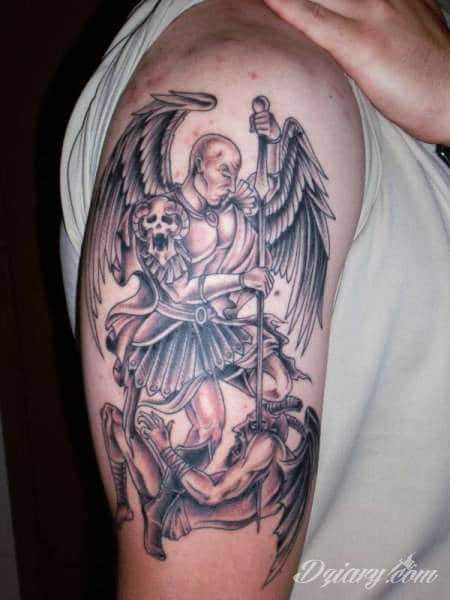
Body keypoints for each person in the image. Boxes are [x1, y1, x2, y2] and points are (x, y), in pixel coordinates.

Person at [59, 1, 450, 598]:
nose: (230, 182)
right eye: (223, 172)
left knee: (272, 382)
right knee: (210, 419)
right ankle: (180, 492)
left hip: (216, 323)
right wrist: (239, 284)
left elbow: (263, 197)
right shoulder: (244, 76)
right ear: (198, 164)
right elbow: (176, 287)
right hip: (175, 330)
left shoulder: (402, 49)